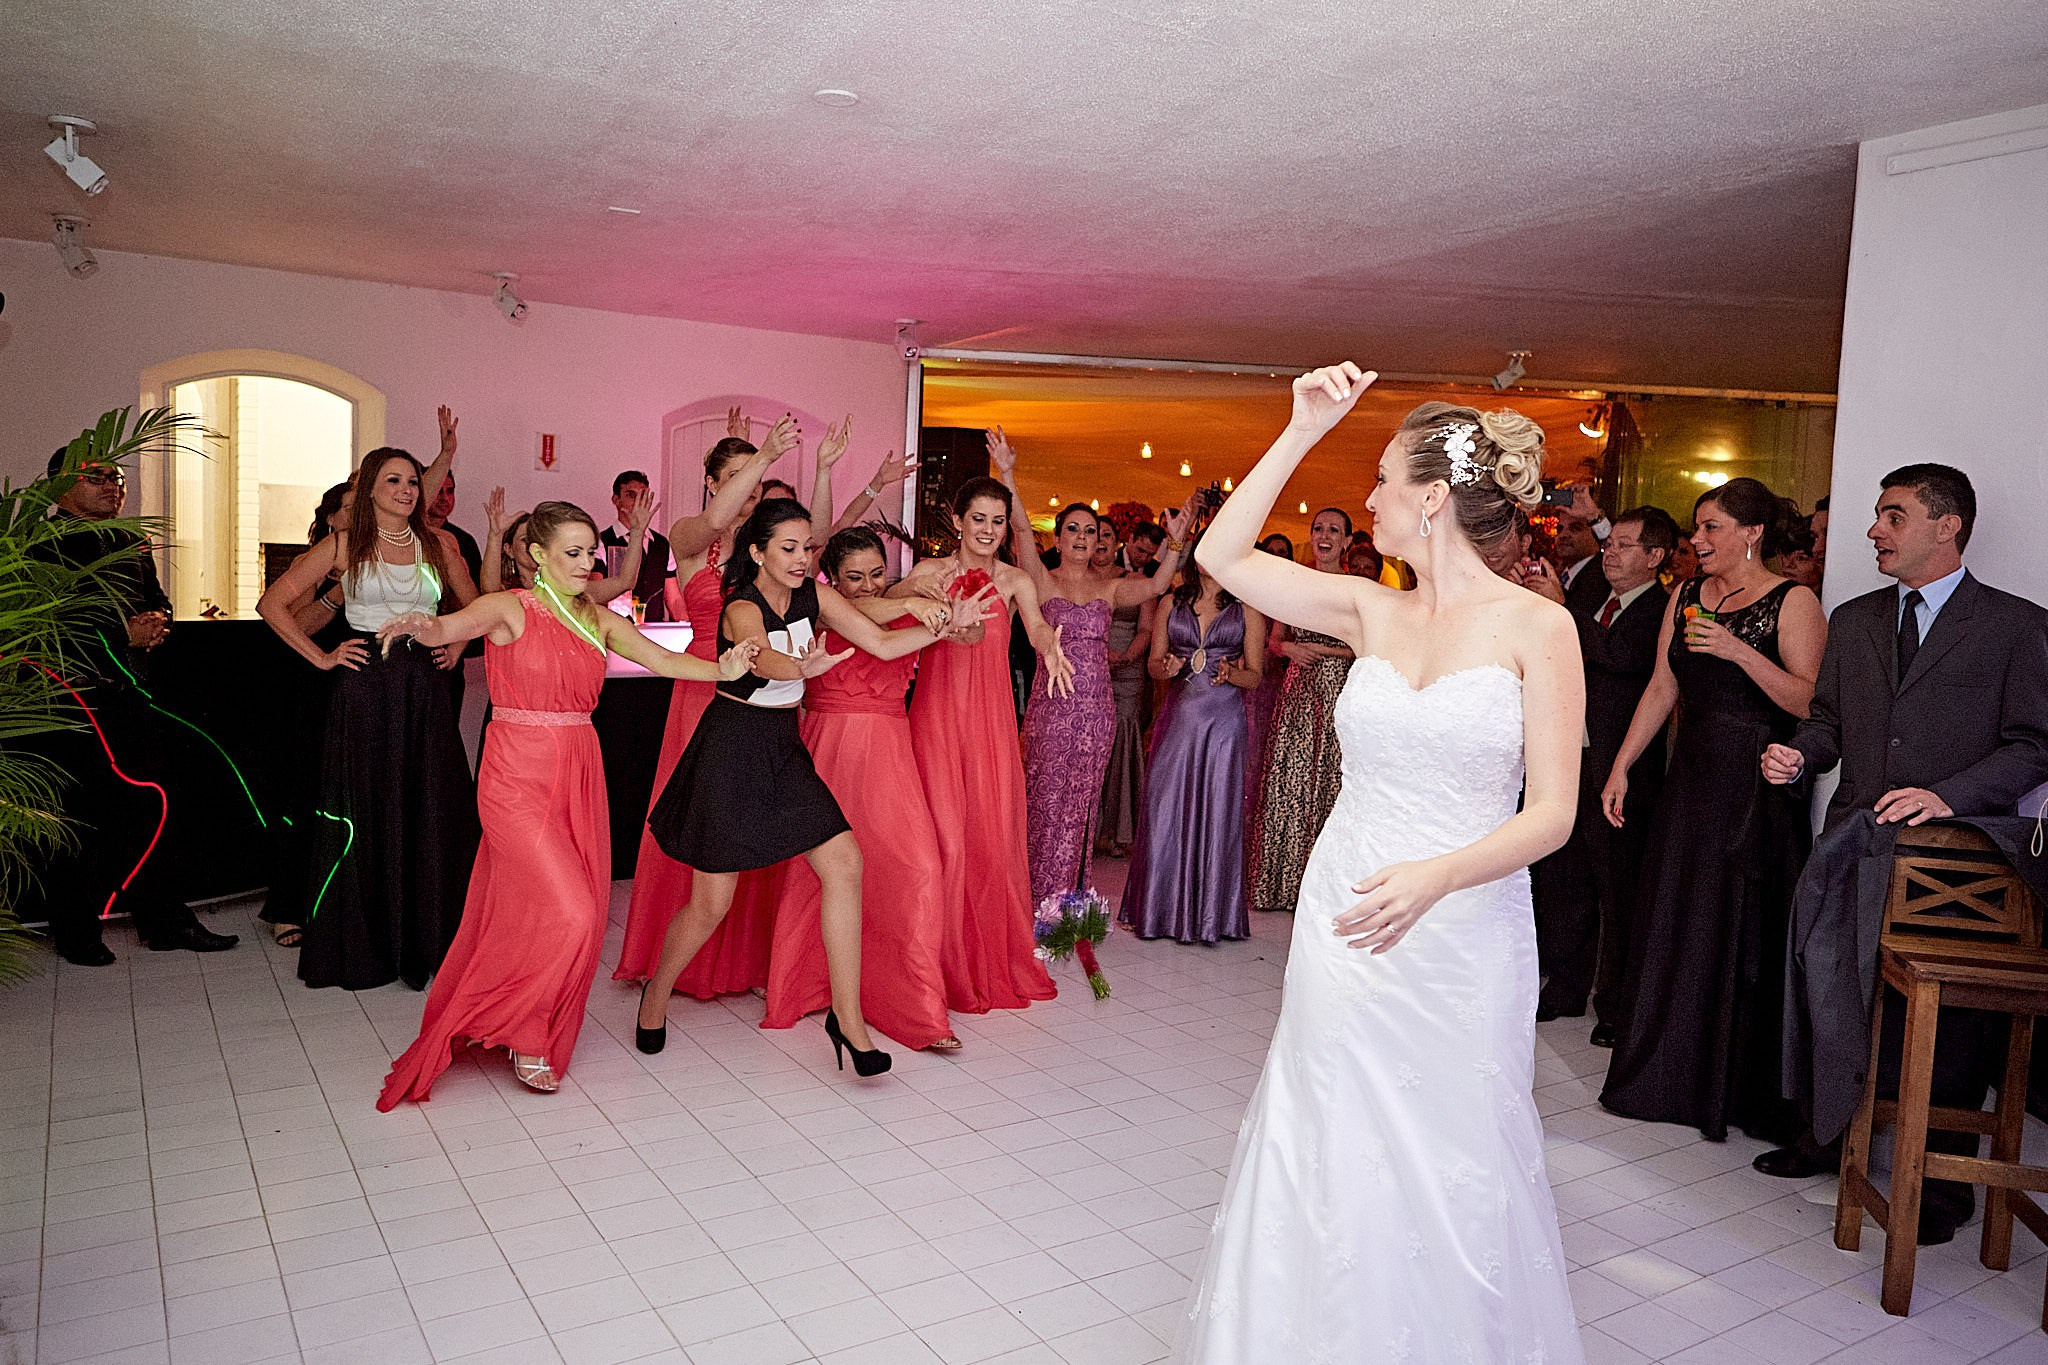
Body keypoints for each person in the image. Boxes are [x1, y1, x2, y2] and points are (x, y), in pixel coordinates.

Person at [1177, 365, 1584, 1363]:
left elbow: (1554, 816)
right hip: (1346, 914)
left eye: (1379, 480)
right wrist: (1298, 429)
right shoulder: (1367, 607)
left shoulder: (1540, 627)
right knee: (1326, 1123)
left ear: (1433, 498)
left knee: (1453, 1143)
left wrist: (1437, 876)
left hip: (1461, 926)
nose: (1365, 499)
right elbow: (1220, 552)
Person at [374, 502, 756, 1105]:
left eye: (591, 554)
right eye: (573, 554)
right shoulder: (508, 607)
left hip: (579, 769)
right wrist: (419, 625)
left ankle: (525, 1025)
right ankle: (521, 1026)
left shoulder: (600, 619)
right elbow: (448, 627)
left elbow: (663, 660)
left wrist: (723, 668)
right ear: (538, 556)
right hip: (514, 776)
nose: (586, 564)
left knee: (552, 911)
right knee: (575, 911)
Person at [1754, 464, 2048, 1246]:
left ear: (1947, 526)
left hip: (1956, 864)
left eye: (1893, 515)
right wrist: (1800, 756)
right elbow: (1827, 725)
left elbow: (2035, 743)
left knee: (1948, 1023)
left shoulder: (2019, 626)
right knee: (1829, 987)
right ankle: (1823, 1138)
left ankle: (1943, 1184)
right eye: (1878, 515)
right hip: (1852, 844)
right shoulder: (1852, 620)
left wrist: (1948, 795)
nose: (1874, 530)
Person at [636, 499, 962, 1076]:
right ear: (757, 552)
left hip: (785, 751)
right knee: (712, 904)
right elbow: (759, 658)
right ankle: (656, 995)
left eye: (806, 547)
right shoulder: (741, 604)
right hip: (732, 750)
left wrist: (938, 625)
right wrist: (803, 670)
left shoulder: (815, 594)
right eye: (787, 548)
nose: (800, 558)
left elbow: (881, 642)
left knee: (845, 864)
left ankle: (848, 1020)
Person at [1596, 477, 1825, 1142]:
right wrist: (1623, 764)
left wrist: (1737, 650)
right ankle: (1663, 1074)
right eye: (1697, 528)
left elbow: (1809, 702)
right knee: (1676, 920)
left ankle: (1737, 1091)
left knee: (1741, 933)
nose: (1697, 541)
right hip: (1690, 779)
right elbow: (1663, 686)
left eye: (1711, 528)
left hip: (1755, 787)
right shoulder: (1684, 596)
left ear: (1752, 533)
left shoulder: (1795, 600)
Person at [257, 446, 481, 990]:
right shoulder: (342, 546)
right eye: (393, 481)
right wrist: (323, 657)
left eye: (411, 482)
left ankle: (432, 939)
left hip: (425, 688)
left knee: (429, 803)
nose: (406, 490)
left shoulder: (440, 544)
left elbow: (476, 607)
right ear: (371, 489)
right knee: (369, 806)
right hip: (366, 686)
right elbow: (272, 604)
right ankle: (367, 940)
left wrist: (454, 642)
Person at [763, 527, 986, 1051]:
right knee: (814, 876)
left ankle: (915, 1008)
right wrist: (916, 602)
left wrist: (956, 618)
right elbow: (869, 626)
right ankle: (811, 988)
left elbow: (969, 637)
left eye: (876, 574)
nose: (866, 586)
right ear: (832, 579)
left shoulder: (911, 605)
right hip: (826, 750)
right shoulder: (817, 607)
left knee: (916, 869)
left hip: (889, 753)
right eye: (854, 577)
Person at [31, 448, 238, 964]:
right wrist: (119, 631)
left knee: (157, 803)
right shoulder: (41, 544)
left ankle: (164, 918)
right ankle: (76, 930)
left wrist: (155, 623)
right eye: (97, 478)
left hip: (129, 692)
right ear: (59, 486)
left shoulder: (130, 538)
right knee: (77, 816)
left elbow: (157, 600)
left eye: (117, 478)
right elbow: (45, 621)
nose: (112, 486)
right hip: (67, 697)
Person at [614, 422, 796, 997]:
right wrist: (763, 452)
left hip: (763, 692)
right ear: (713, 482)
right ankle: (675, 959)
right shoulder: (691, 534)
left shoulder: (769, 550)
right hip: (702, 686)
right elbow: (717, 519)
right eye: (739, 478)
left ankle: (749, 961)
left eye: (757, 480)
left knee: (757, 814)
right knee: (699, 817)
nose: (749, 490)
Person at [887, 475, 1073, 1014]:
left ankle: (980, 958)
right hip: (937, 719)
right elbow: (880, 605)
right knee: (943, 838)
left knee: (988, 838)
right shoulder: (929, 573)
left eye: (997, 520)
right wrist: (922, 598)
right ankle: (932, 966)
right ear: (957, 521)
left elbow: (1036, 628)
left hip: (990, 724)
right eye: (979, 520)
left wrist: (1049, 650)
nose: (989, 530)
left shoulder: (1015, 580)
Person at [993, 435, 1190, 905]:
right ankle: (1029, 897)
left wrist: (1178, 536)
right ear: (1058, 538)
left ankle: (1065, 901)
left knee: (1080, 805)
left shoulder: (1111, 588)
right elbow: (1020, 531)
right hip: (1052, 706)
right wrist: (1007, 475)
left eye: (1090, 532)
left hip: (1097, 710)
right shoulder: (1040, 579)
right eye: (1073, 530)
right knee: (1042, 800)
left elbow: (1161, 581)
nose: (1082, 539)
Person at [1523, 508, 1680, 1046]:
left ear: (1656, 557)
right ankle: (1564, 987)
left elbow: (1620, 658)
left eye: (1627, 546)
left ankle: (1616, 1004)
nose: (1611, 554)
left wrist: (1565, 612)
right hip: (1575, 752)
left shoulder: (1662, 609)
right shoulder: (1594, 599)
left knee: (1619, 887)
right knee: (1566, 874)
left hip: (1624, 766)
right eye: (1611, 545)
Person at [1121, 530, 1265, 943]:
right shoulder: (1171, 602)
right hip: (1180, 717)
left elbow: (1255, 675)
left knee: (1217, 810)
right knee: (1164, 806)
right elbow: (1153, 664)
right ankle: (1159, 909)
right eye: (1204, 549)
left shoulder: (1246, 609)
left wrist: (1231, 674)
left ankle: (1208, 917)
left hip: (1224, 720)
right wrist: (1163, 668)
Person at [1245, 507, 1355, 914]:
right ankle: (1282, 884)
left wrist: (1321, 650)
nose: (1325, 535)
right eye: (1319, 528)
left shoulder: (1356, 588)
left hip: (1338, 687)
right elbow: (1274, 640)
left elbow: (1364, 645)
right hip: (1297, 689)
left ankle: (1323, 890)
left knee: (1329, 780)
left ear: (1346, 540)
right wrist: (1289, 648)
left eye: (1334, 530)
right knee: (1290, 779)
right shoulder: (1295, 581)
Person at [1092, 521, 1155, 858]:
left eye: (1106, 536)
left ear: (1118, 542)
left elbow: (1147, 628)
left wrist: (1124, 658)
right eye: (1094, 535)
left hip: (1127, 671)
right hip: (1087, 670)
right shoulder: (1075, 580)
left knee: (1122, 741)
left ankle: (1118, 831)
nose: (1099, 541)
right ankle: (1089, 829)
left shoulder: (1136, 582)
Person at [599, 470, 675, 620]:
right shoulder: (601, 541)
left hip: (655, 632)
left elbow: (673, 598)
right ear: (616, 499)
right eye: (630, 495)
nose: (638, 502)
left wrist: (687, 628)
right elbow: (596, 593)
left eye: (643, 496)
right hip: (616, 630)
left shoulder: (661, 544)